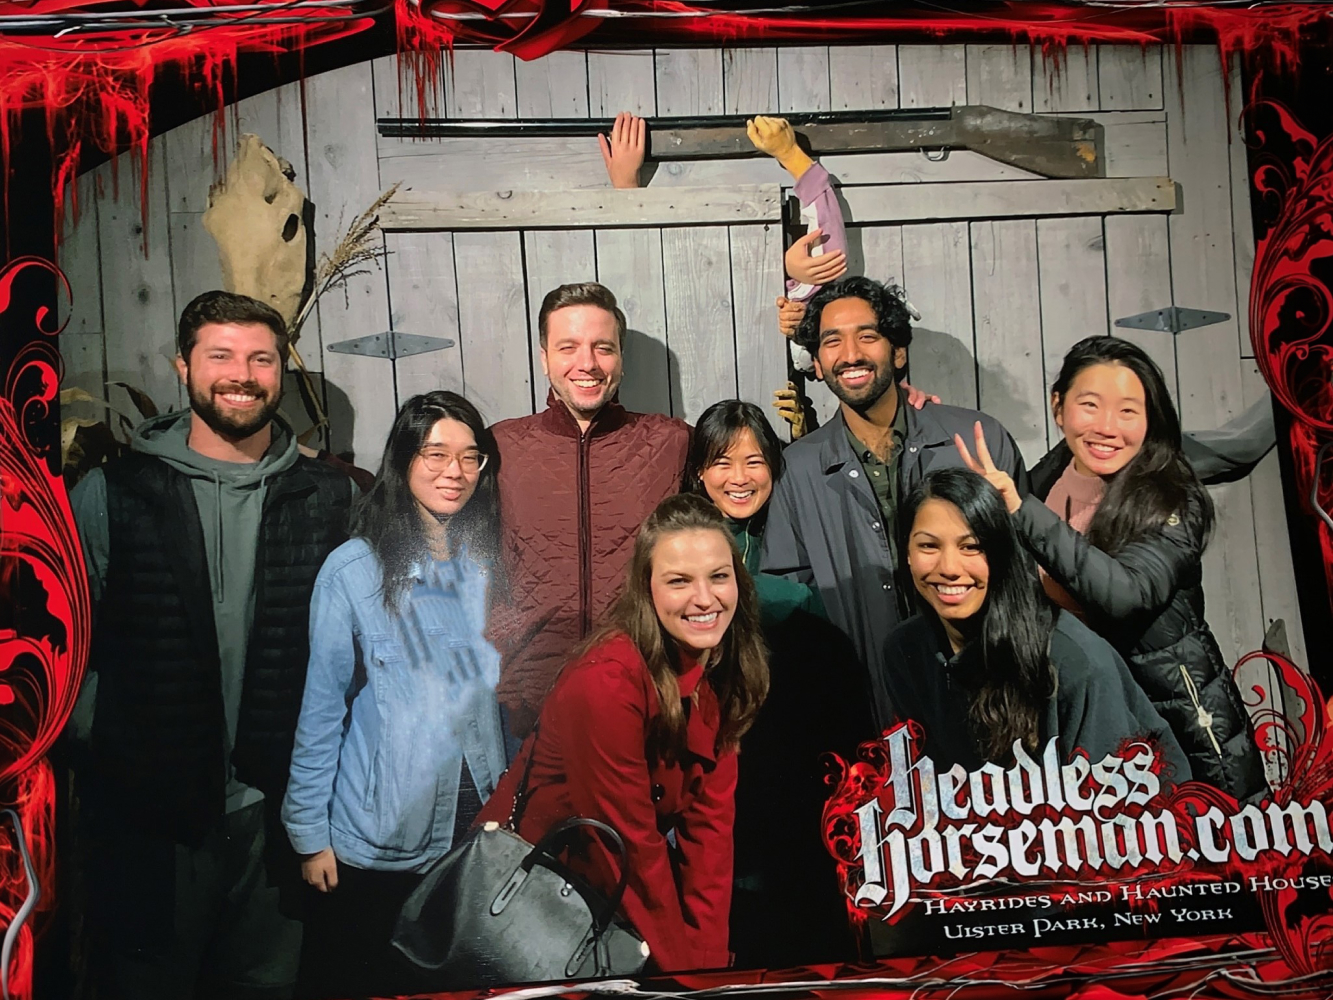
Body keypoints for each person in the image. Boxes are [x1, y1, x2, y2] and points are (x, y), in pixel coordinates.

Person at [69, 290, 355, 999]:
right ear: (183, 367)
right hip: (152, 820)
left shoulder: (330, 497)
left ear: (280, 374)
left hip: (275, 817)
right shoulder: (112, 493)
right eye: (220, 355)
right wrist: (109, 741)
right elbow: (65, 652)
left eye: (261, 358)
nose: (241, 373)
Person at [956, 335, 1267, 800]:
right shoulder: (1055, 470)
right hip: (1083, 721)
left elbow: (1126, 593)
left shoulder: (1170, 494)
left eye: (1127, 411)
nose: (1107, 428)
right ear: (1058, 407)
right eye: (1090, 405)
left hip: (1178, 721)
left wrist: (1023, 511)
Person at [476, 493, 769, 973]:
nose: (705, 598)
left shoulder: (721, 671)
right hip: (534, 902)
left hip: (614, 906)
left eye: (719, 576)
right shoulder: (606, 680)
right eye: (679, 581)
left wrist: (710, 969)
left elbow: (710, 841)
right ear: (646, 588)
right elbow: (628, 845)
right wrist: (688, 977)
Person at [281, 391, 507, 998]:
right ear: (403, 459)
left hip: (476, 825)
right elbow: (322, 709)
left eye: (470, 456)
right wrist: (310, 834)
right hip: (380, 833)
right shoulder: (354, 570)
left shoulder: (488, 564)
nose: (454, 472)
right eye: (435, 453)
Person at [760, 275, 1028, 730]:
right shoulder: (797, 471)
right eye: (832, 342)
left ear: (898, 351)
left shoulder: (975, 440)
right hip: (867, 716)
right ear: (819, 365)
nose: (850, 354)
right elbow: (791, 601)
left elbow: (1024, 568)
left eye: (867, 335)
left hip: (993, 706)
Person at [683, 400, 871, 968]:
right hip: (726, 739)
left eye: (754, 461)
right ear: (699, 472)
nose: (738, 478)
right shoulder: (691, 536)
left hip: (803, 731)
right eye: (722, 462)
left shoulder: (799, 524)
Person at [885, 467, 1191, 780]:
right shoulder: (904, 650)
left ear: (1001, 552)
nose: (949, 567)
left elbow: (1114, 813)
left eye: (972, 546)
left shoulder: (1074, 661)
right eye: (928, 546)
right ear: (907, 553)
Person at [489, 282, 690, 751]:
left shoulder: (670, 442)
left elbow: (747, 470)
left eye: (603, 348)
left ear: (620, 358)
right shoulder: (500, 447)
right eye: (568, 347)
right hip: (528, 711)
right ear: (544, 357)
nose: (588, 364)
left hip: (644, 702)